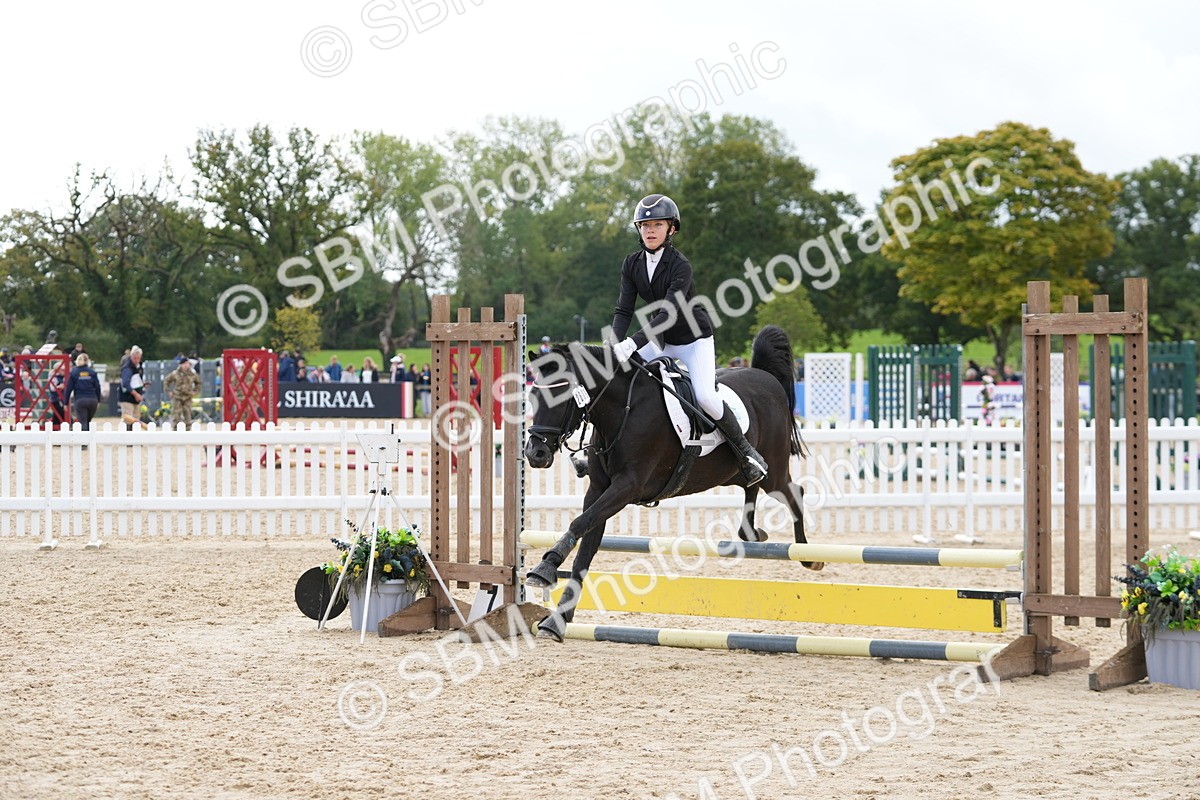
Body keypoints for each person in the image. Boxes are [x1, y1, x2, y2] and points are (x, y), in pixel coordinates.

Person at [609, 193, 766, 484]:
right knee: (616, 377)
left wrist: (632, 343)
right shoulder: (631, 264)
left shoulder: (681, 265)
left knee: (705, 396)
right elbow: (623, 309)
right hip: (660, 342)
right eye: (644, 225)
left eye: (657, 224)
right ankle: (599, 450)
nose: (650, 230)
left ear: (672, 229)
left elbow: (668, 313)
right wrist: (614, 344)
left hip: (694, 341)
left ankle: (746, 453)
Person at [64, 353, 102, 437]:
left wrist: (65, 402)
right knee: (88, 421)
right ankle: (89, 440)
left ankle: (84, 443)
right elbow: (98, 387)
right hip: (93, 400)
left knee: (82, 422)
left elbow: (69, 388)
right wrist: (98, 400)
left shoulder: (74, 372)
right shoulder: (92, 372)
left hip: (80, 400)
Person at [163, 358, 202, 428]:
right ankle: (175, 432)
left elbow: (198, 383)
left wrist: (195, 392)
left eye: (187, 363)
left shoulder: (192, 374)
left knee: (188, 416)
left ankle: (187, 433)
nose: (186, 365)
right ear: (181, 364)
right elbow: (166, 381)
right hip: (177, 397)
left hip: (188, 397)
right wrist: (168, 391)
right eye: (184, 363)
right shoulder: (175, 373)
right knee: (176, 416)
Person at [119, 345, 147, 429]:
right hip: (127, 397)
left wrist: (143, 384)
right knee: (129, 419)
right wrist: (136, 395)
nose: (137, 360)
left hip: (135, 399)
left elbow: (135, 380)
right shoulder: (127, 368)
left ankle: (135, 440)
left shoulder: (139, 366)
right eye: (135, 358)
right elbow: (126, 384)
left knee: (136, 419)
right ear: (131, 356)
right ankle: (127, 439)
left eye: (138, 358)